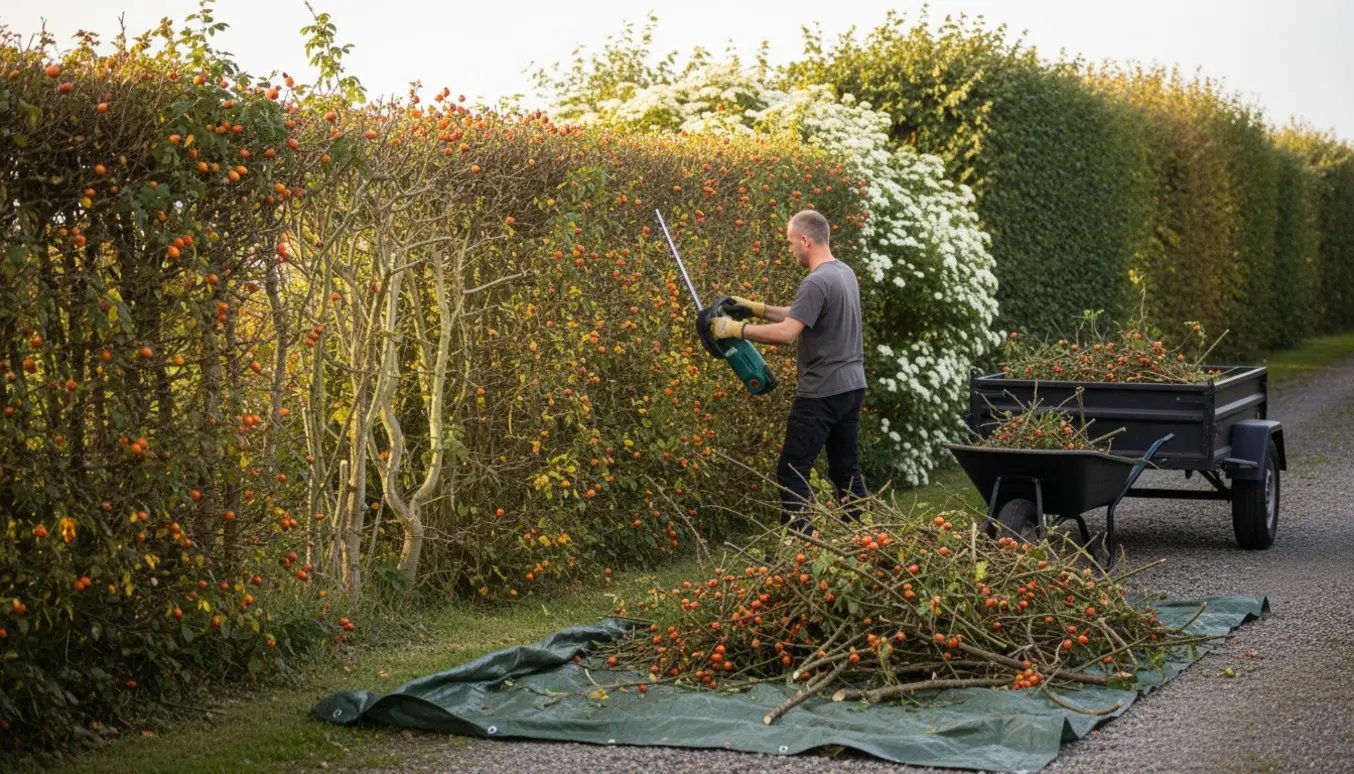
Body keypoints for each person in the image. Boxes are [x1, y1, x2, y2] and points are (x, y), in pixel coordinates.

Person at [707, 210, 868, 532]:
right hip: (852, 387)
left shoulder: (816, 281)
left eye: (791, 242)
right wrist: (756, 308)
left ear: (806, 240)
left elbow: (787, 333)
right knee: (844, 468)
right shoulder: (843, 273)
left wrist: (735, 328)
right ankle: (864, 539)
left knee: (793, 469)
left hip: (821, 392)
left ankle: (800, 549)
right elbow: (804, 315)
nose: (790, 248)